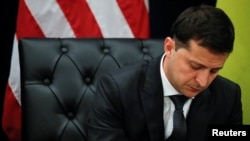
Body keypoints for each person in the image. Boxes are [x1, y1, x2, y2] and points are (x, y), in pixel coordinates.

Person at [87, 4, 242, 141]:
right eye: (195, 66)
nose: (203, 81)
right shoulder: (117, 90)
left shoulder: (228, 96)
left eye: (214, 71)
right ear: (169, 47)